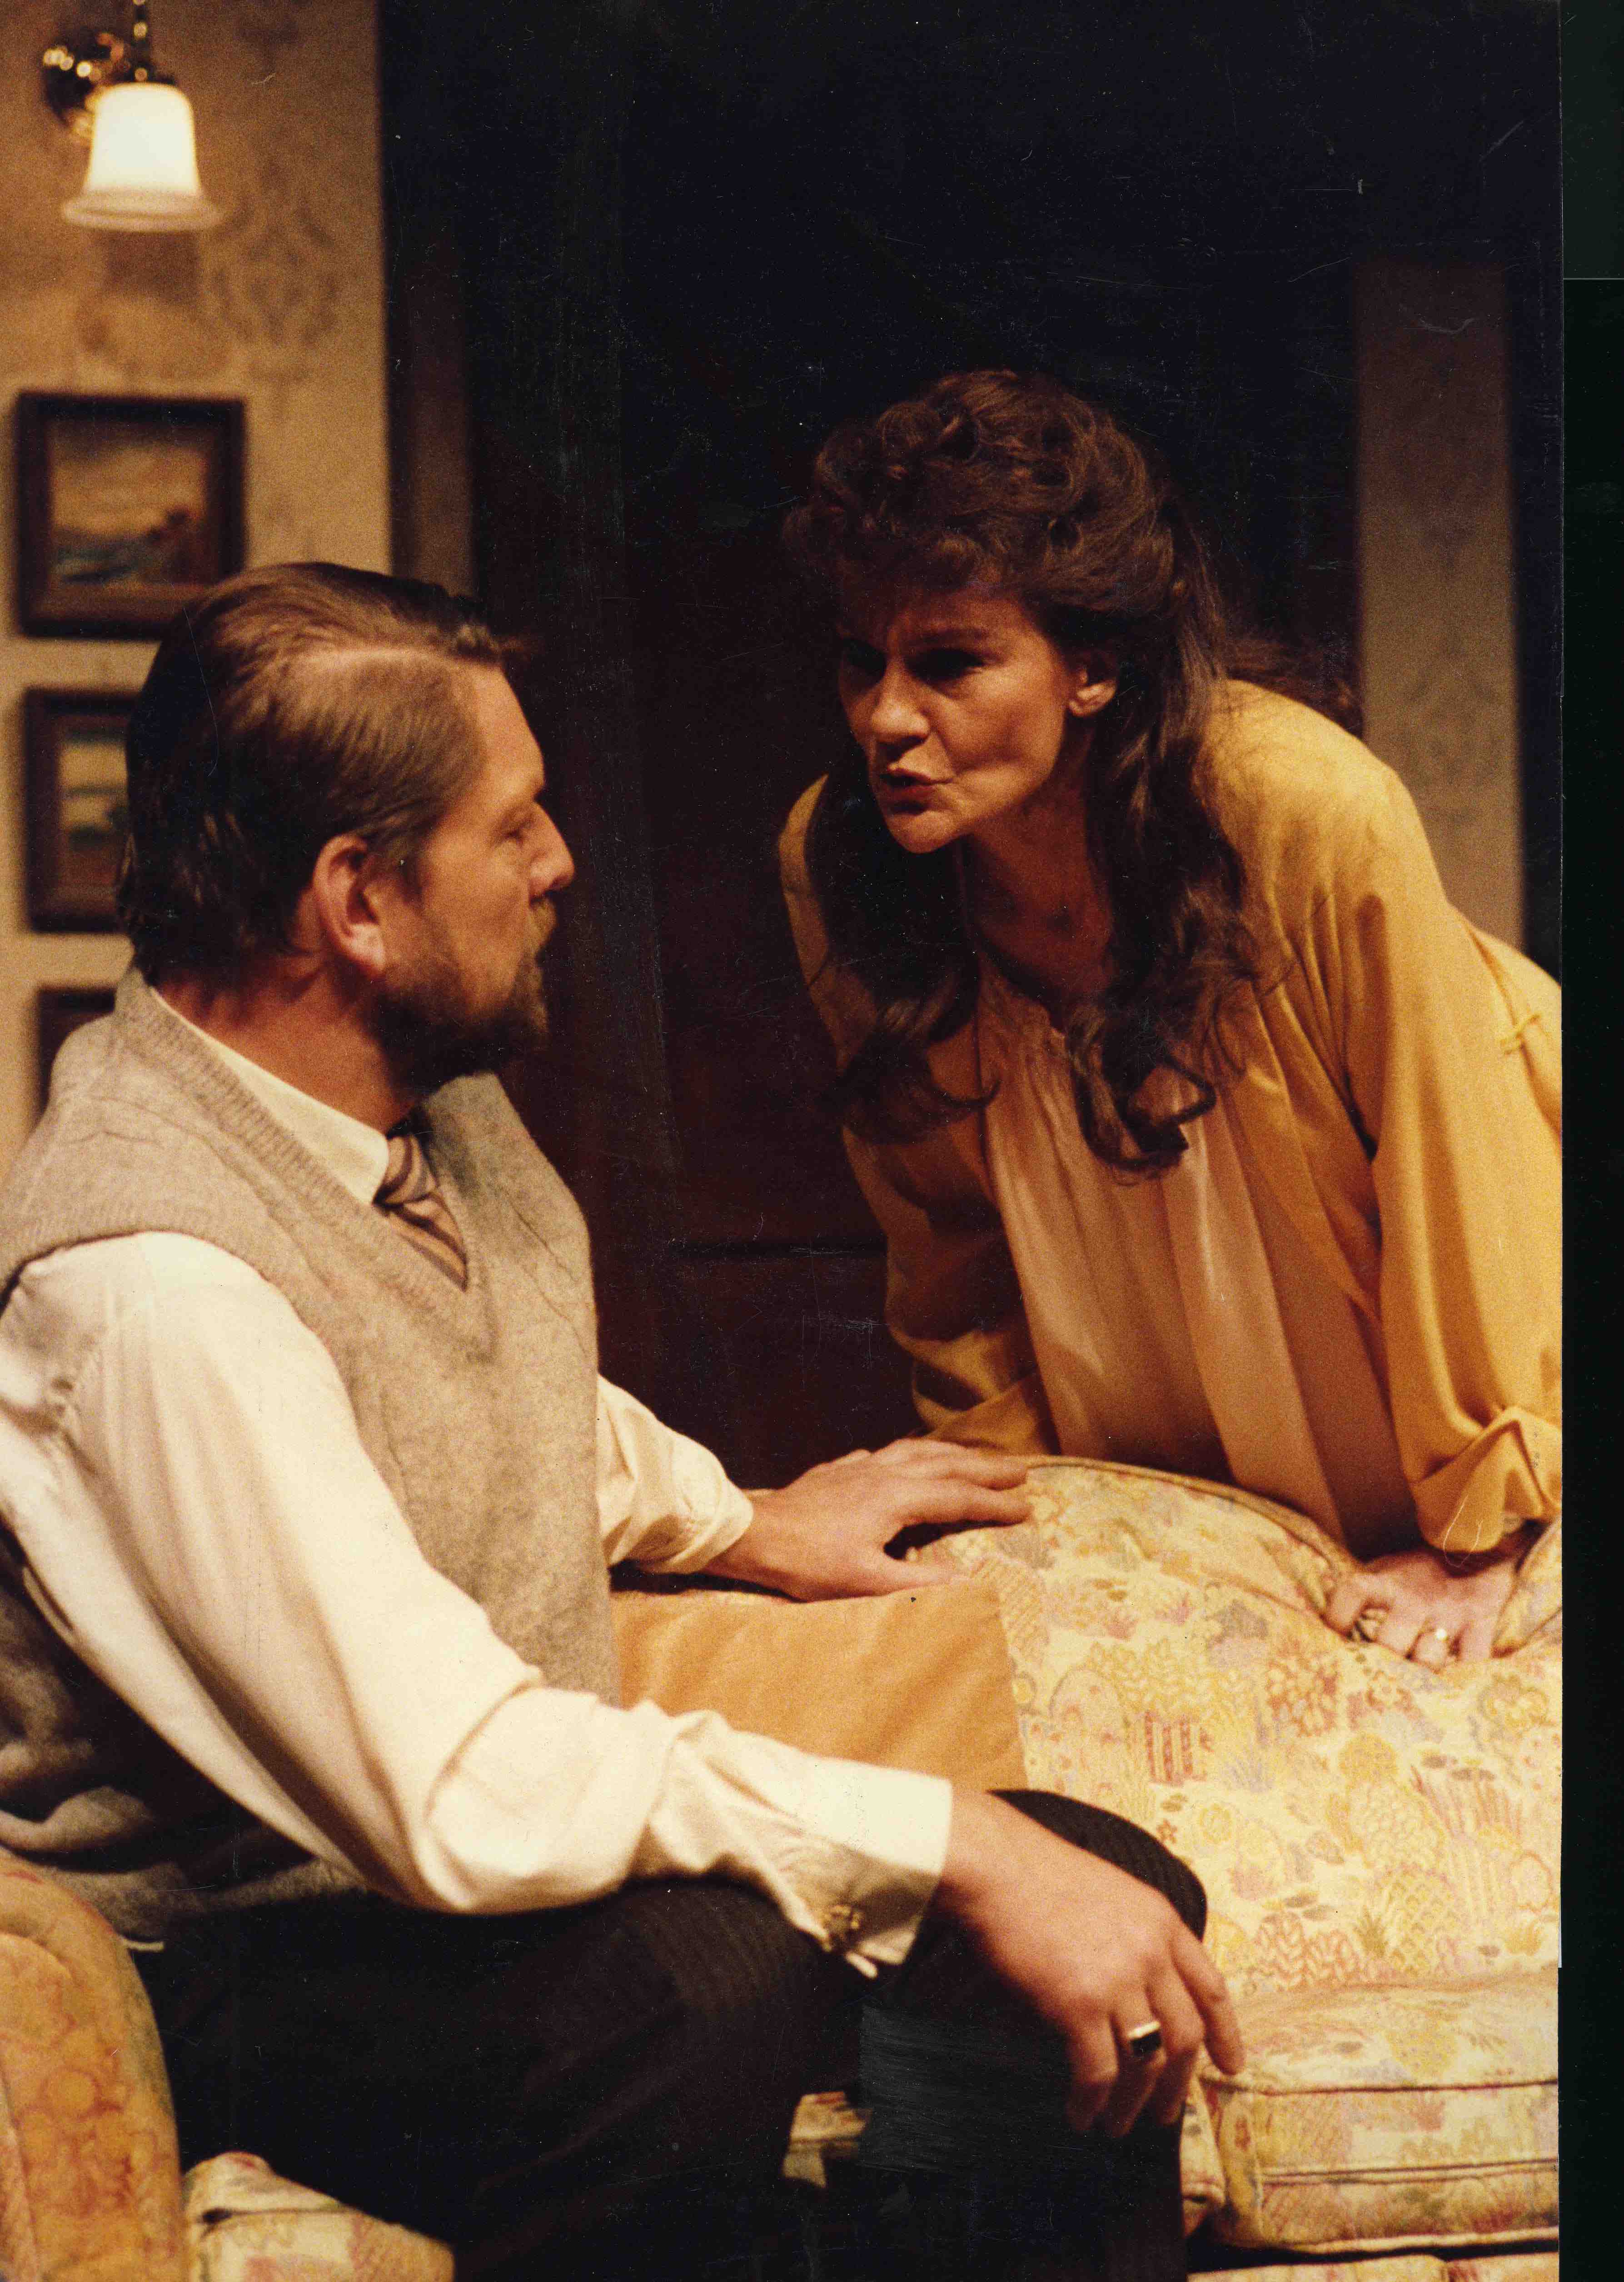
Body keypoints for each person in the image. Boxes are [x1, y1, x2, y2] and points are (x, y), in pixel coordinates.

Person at [0, 563, 1242, 2282]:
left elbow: (480, 1374)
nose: (560, 862)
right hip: (225, 1956)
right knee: (697, 1992)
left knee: (1099, 1884)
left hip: (439, 1916)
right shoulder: (151, 1291)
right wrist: (945, 1838)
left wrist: (735, 1518)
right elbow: (449, 1787)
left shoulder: (421, 1109)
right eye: (512, 824)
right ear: (358, 901)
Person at [779, 370, 1560, 1669]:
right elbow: (946, 1240)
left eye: (952, 663)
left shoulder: (1300, 806)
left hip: (1508, 1320)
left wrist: (1483, 1534)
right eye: (865, 663)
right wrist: (1005, 1498)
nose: (887, 719)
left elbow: (1453, 1169)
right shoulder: (842, 857)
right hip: (1179, 1407)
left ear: (1093, 669)